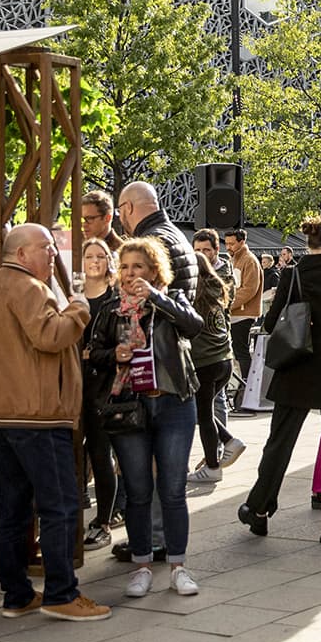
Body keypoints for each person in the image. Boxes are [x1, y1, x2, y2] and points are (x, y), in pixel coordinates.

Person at [0, 223, 107, 621]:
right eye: (46, 247)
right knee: (59, 504)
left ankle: (16, 594)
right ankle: (62, 594)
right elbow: (50, 335)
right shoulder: (28, 287)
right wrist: (79, 308)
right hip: (35, 414)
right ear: (21, 253)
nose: (52, 254)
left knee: (12, 506)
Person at [85, 236, 206, 597]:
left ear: (154, 270)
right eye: (124, 267)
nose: (129, 273)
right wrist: (115, 355)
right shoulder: (111, 308)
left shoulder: (172, 298)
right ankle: (141, 566)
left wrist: (155, 297)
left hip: (172, 403)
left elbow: (193, 325)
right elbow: (93, 352)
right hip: (129, 408)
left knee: (173, 489)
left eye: (137, 266)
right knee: (137, 491)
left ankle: (178, 566)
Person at [241, 216, 321, 548]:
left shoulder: (292, 274)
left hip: (297, 367)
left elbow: (271, 323)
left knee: (280, 442)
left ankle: (258, 507)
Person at [186, 249, 248, 482]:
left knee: (203, 415)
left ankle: (213, 466)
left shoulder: (194, 295)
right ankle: (229, 441)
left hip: (205, 363)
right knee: (203, 411)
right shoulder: (216, 289)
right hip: (223, 360)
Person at [76, 237, 121, 550]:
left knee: (101, 453)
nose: (94, 261)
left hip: (104, 386)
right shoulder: (72, 295)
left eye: (100, 256)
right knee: (72, 452)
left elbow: (122, 344)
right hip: (73, 384)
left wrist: (94, 355)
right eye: (89, 256)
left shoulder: (115, 298)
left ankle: (104, 520)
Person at [116, 181, 197, 299]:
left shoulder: (151, 242)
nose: (120, 217)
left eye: (119, 210)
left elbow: (145, 299)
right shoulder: (176, 233)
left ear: (128, 207)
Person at [224, 229, 263, 390]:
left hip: (243, 314)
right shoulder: (235, 259)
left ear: (242, 242)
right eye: (226, 243)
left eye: (231, 244)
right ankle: (244, 386)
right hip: (236, 313)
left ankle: (247, 387)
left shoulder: (249, 260)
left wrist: (227, 303)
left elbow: (249, 290)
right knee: (239, 351)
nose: (228, 247)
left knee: (241, 351)